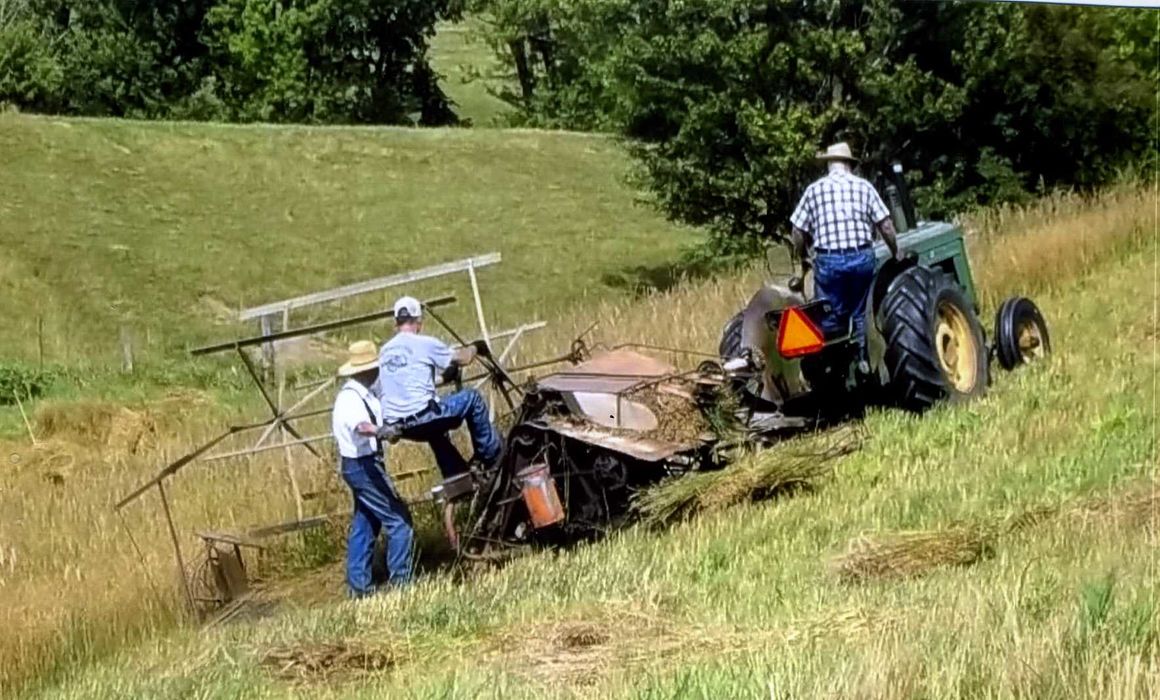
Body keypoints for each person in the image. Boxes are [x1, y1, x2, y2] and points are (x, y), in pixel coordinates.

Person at [789, 142, 904, 368]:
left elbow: (797, 231)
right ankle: (861, 359)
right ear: (849, 165)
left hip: (829, 261)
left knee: (830, 314)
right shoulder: (864, 187)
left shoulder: (814, 190)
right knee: (859, 311)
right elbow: (886, 225)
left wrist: (803, 255)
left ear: (829, 165)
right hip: (861, 258)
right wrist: (895, 251)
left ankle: (835, 364)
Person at [377, 296, 503, 478]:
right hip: (423, 416)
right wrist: (476, 347)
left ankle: (457, 475)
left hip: (399, 426)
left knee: (434, 432)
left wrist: (444, 378)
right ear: (418, 321)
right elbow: (464, 358)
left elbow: (413, 383)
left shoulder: (385, 351)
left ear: (396, 322)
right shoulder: (424, 343)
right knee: (472, 398)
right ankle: (491, 455)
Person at [331, 340, 414, 597]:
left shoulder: (364, 392)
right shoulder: (350, 399)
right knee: (399, 521)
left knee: (366, 523)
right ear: (367, 370)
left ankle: (359, 587)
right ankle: (401, 584)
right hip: (362, 466)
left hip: (359, 464)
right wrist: (382, 431)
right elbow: (361, 426)